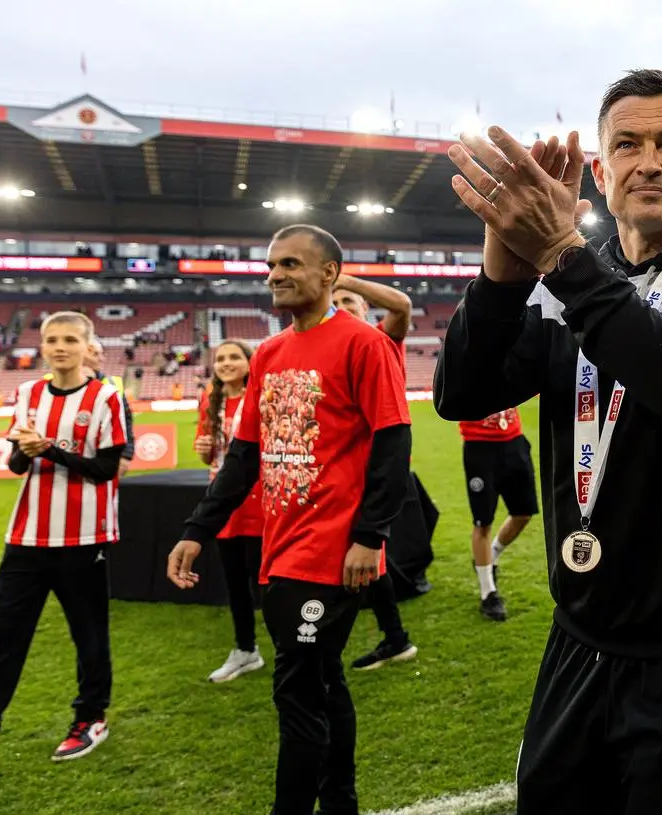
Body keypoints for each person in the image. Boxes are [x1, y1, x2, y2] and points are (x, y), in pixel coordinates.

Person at [435, 69, 662, 813]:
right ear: (599, 173)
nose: (650, 160)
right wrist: (504, 264)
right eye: (626, 144)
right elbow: (462, 393)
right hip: (582, 630)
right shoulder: (567, 283)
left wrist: (564, 255)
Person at [166, 224, 412, 815]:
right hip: (280, 549)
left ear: (330, 274)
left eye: (292, 263)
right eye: (272, 264)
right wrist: (199, 529)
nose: (276, 274)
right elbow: (245, 454)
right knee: (322, 682)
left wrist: (368, 537)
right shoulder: (270, 354)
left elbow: (392, 445)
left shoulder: (363, 343)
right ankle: (341, 803)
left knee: (297, 690)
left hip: (331, 553)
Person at [0, 311, 127, 791]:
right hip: (25, 538)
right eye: (51, 340)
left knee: (89, 636)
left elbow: (105, 469)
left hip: (84, 538)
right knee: (2, 641)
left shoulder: (106, 397)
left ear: (87, 346)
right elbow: (18, 463)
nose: (59, 348)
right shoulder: (28, 395)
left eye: (69, 340)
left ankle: (91, 718)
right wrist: (25, 448)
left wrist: (52, 450)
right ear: (42, 346)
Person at [331, 279, 418, 670]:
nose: (342, 306)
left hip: (377, 467)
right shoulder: (331, 351)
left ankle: (389, 637)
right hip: (342, 468)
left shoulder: (381, 340)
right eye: (333, 302)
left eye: (349, 301)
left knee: (365, 550)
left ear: (366, 308)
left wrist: (339, 278)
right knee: (371, 556)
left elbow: (401, 305)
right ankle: (394, 638)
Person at [194, 339, 266, 682]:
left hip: (261, 500)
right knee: (235, 584)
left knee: (267, 584)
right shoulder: (210, 400)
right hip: (224, 504)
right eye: (220, 358)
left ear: (249, 363)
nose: (226, 363)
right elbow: (207, 457)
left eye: (234, 356)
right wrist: (203, 448)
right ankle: (246, 650)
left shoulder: (262, 395)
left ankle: (293, 649)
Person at [459, 407, 538, 621]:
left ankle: (490, 556)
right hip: (479, 446)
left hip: (514, 441)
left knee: (523, 513)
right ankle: (488, 594)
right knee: (482, 522)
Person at [47, 338, 135, 477]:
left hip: (103, 460)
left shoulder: (113, 384)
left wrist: (126, 455)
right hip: (60, 463)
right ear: (80, 354)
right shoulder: (49, 383)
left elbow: (126, 422)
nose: (102, 359)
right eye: (96, 354)